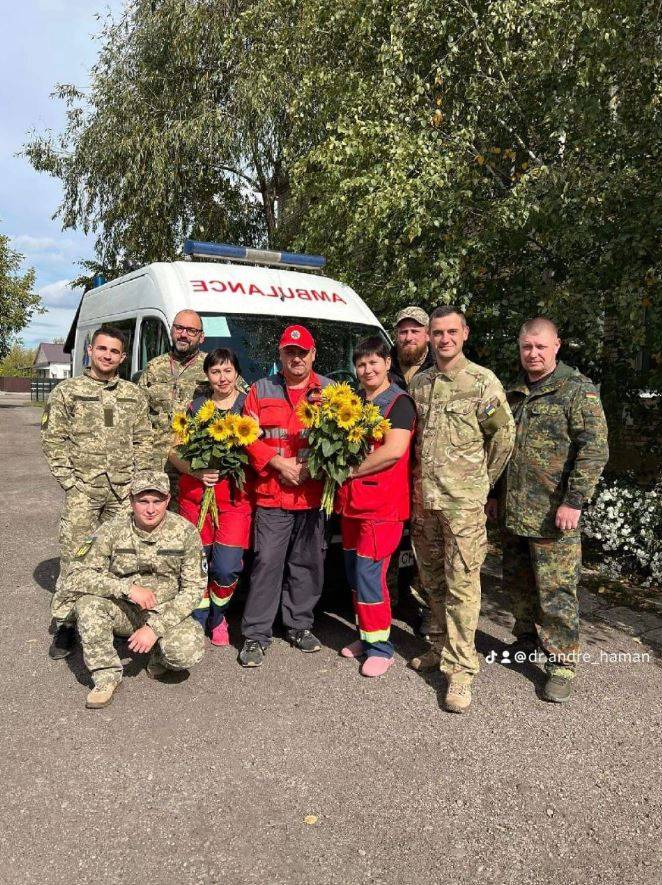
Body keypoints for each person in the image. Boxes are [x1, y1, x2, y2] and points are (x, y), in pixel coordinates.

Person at [487, 318, 609, 703]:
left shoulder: (577, 391)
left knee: (556, 591)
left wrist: (574, 501)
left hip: (553, 515)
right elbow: (501, 448)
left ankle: (561, 663)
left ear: (557, 345)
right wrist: (493, 493)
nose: (533, 353)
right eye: (527, 347)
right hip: (513, 512)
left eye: (540, 346)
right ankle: (525, 639)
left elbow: (594, 450)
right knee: (518, 583)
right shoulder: (514, 392)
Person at [408, 306, 515, 713]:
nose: (445, 339)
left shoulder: (483, 382)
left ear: (465, 333)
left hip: (463, 506)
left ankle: (461, 671)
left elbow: (503, 437)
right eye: (437, 333)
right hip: (426, 503)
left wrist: (481, 484)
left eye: (452, 332)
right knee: (431, 581)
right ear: (430, 337)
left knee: (463, 585)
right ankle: (439, 648)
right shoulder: (420, 384)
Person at [41, 325, 153, 660]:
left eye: (114, 351)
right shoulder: (68, 391)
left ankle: (111, 619)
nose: (107, 356)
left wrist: (137, 483)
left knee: (119, 558)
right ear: (90, 350)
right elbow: (53, 440)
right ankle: (66, 623)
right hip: (84, 492)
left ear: (122, 356)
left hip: (121, 493)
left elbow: (143, 440)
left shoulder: (133, 395)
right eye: (102, 349)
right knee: (76, 556)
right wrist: (70, 482)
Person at [62, 471, 207, 709]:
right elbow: (76, 575)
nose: (150, 509)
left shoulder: (185, 531)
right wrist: (126, 588)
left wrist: (155, 628)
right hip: (124, 609)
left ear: (168, 500)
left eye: (157, 501)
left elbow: (194, 588)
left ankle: (158, 657)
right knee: (88, 605)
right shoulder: (111, 529)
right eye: (143, 501)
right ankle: (106, 677)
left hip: (164, 610)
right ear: (131, 501)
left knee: (186, 651)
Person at [238, 324, 332, 667]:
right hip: (272, 494)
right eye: (290, 352)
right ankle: (255, 635)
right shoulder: (260, 390)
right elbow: (245, 436)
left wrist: (309, 466)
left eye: (302, 352)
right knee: (266, 564)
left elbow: (343, 441)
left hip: (311, 494)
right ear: (280, 354)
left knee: (308, 564)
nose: (296, 358)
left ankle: (299, 625)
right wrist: (279, 463)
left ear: (313, 354)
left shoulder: (332, 392)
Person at [336, 337, 416, 677]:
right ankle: (367, 636)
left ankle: (382, 648)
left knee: (371, 576)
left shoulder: (399, 403)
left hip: (381, 507)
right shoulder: (353, 401)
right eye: (361, 364)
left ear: (386, 363)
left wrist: (349, 470)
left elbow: (394, 450)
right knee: (355, 576)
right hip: (352, 505)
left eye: (374, 362)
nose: (367, 369)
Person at [170, 348, 253, 647]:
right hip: (197, 499)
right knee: (197, 562)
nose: (222, 377)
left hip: (233, 500)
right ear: (207, 375)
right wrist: (196, 468)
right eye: (215, 371)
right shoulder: (195, 408)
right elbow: (174, 450)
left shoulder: (248, 408)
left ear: (237, 373)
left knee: (226, 566)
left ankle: (219, 616)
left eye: (228, 370)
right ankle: (199, 618)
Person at [138, 310, 209, 503]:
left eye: (191, 330)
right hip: (156, 467)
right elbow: (137, 417)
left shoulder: (212, 367)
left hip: (193, 468)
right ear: (172, 330)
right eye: (179, 328)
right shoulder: (154, 367)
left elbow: (240, 398)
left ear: (201, 337)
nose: (183, 334)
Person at [389, 306, 434, 391]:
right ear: (396, 335)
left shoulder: (440, 367)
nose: (408, 338)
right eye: (403, 332)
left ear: (428, 335)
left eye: (414, 331)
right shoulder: (383, 367)